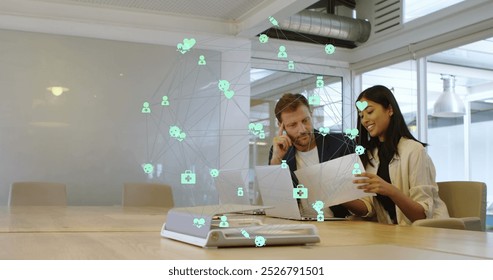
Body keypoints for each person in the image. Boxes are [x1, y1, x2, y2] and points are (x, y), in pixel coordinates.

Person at [343, 85, 449, 225]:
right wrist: (340, 197)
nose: (364, 120)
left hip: (428, 234)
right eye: (361, 115)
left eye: (369, 111)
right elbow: (370, 208)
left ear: (390, 110)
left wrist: (390, 190)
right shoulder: (371, 155)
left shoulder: (414, 150)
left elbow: (422, 216)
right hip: (393, 233)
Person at [268, 93, 354, 218]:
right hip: (298, 227)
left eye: (305, 120)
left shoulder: (342, 144)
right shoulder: (279, 151)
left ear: (311, 114)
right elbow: (274, 200)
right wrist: (276, 159)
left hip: (339, 225)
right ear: (281, 126)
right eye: (293, 125)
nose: (302, 129)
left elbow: (363, 202)